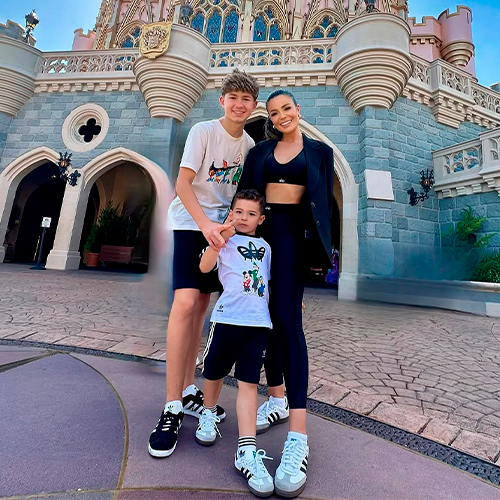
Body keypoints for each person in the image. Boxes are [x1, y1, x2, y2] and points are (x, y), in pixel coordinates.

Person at [148, 69, 259, 458]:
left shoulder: (249, 145)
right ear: (222, 100)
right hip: (190, 223)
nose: (239, 105)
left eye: (246, 99)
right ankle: (171, 406)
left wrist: (227, 228)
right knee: (184, 302)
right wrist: (205, 225)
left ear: (253, 105)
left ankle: (187, 388)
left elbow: (240, 195)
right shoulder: (203, 131)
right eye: (233, 98)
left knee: (200, 308)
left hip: (220, 231)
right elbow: (182, 184)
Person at [237, 89, 334, 498]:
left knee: (289, 325)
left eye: (286, 109)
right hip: (259, 243)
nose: (281, 116)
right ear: (270, 118)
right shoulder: (259, 152)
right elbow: (244, 199)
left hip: (293, 242)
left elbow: (322, 204)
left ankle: (298, 437)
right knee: (265, 324)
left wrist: (320, 255)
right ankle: (275, 400)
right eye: (274, 112)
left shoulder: (320, 152)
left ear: (298, 110)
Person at [196, 189, 275, 498]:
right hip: (228, 319)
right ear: (231, 213)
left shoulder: (266, 247)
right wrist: (220, 238)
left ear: (261, 219)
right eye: (239, 211)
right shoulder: (222, 240)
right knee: (214, 371)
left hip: (258, 324)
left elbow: (268, 282)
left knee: (249, 383)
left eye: (251, 214)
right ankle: (208, 412)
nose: (244, 218)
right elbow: (205, 267)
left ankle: (247, 449)